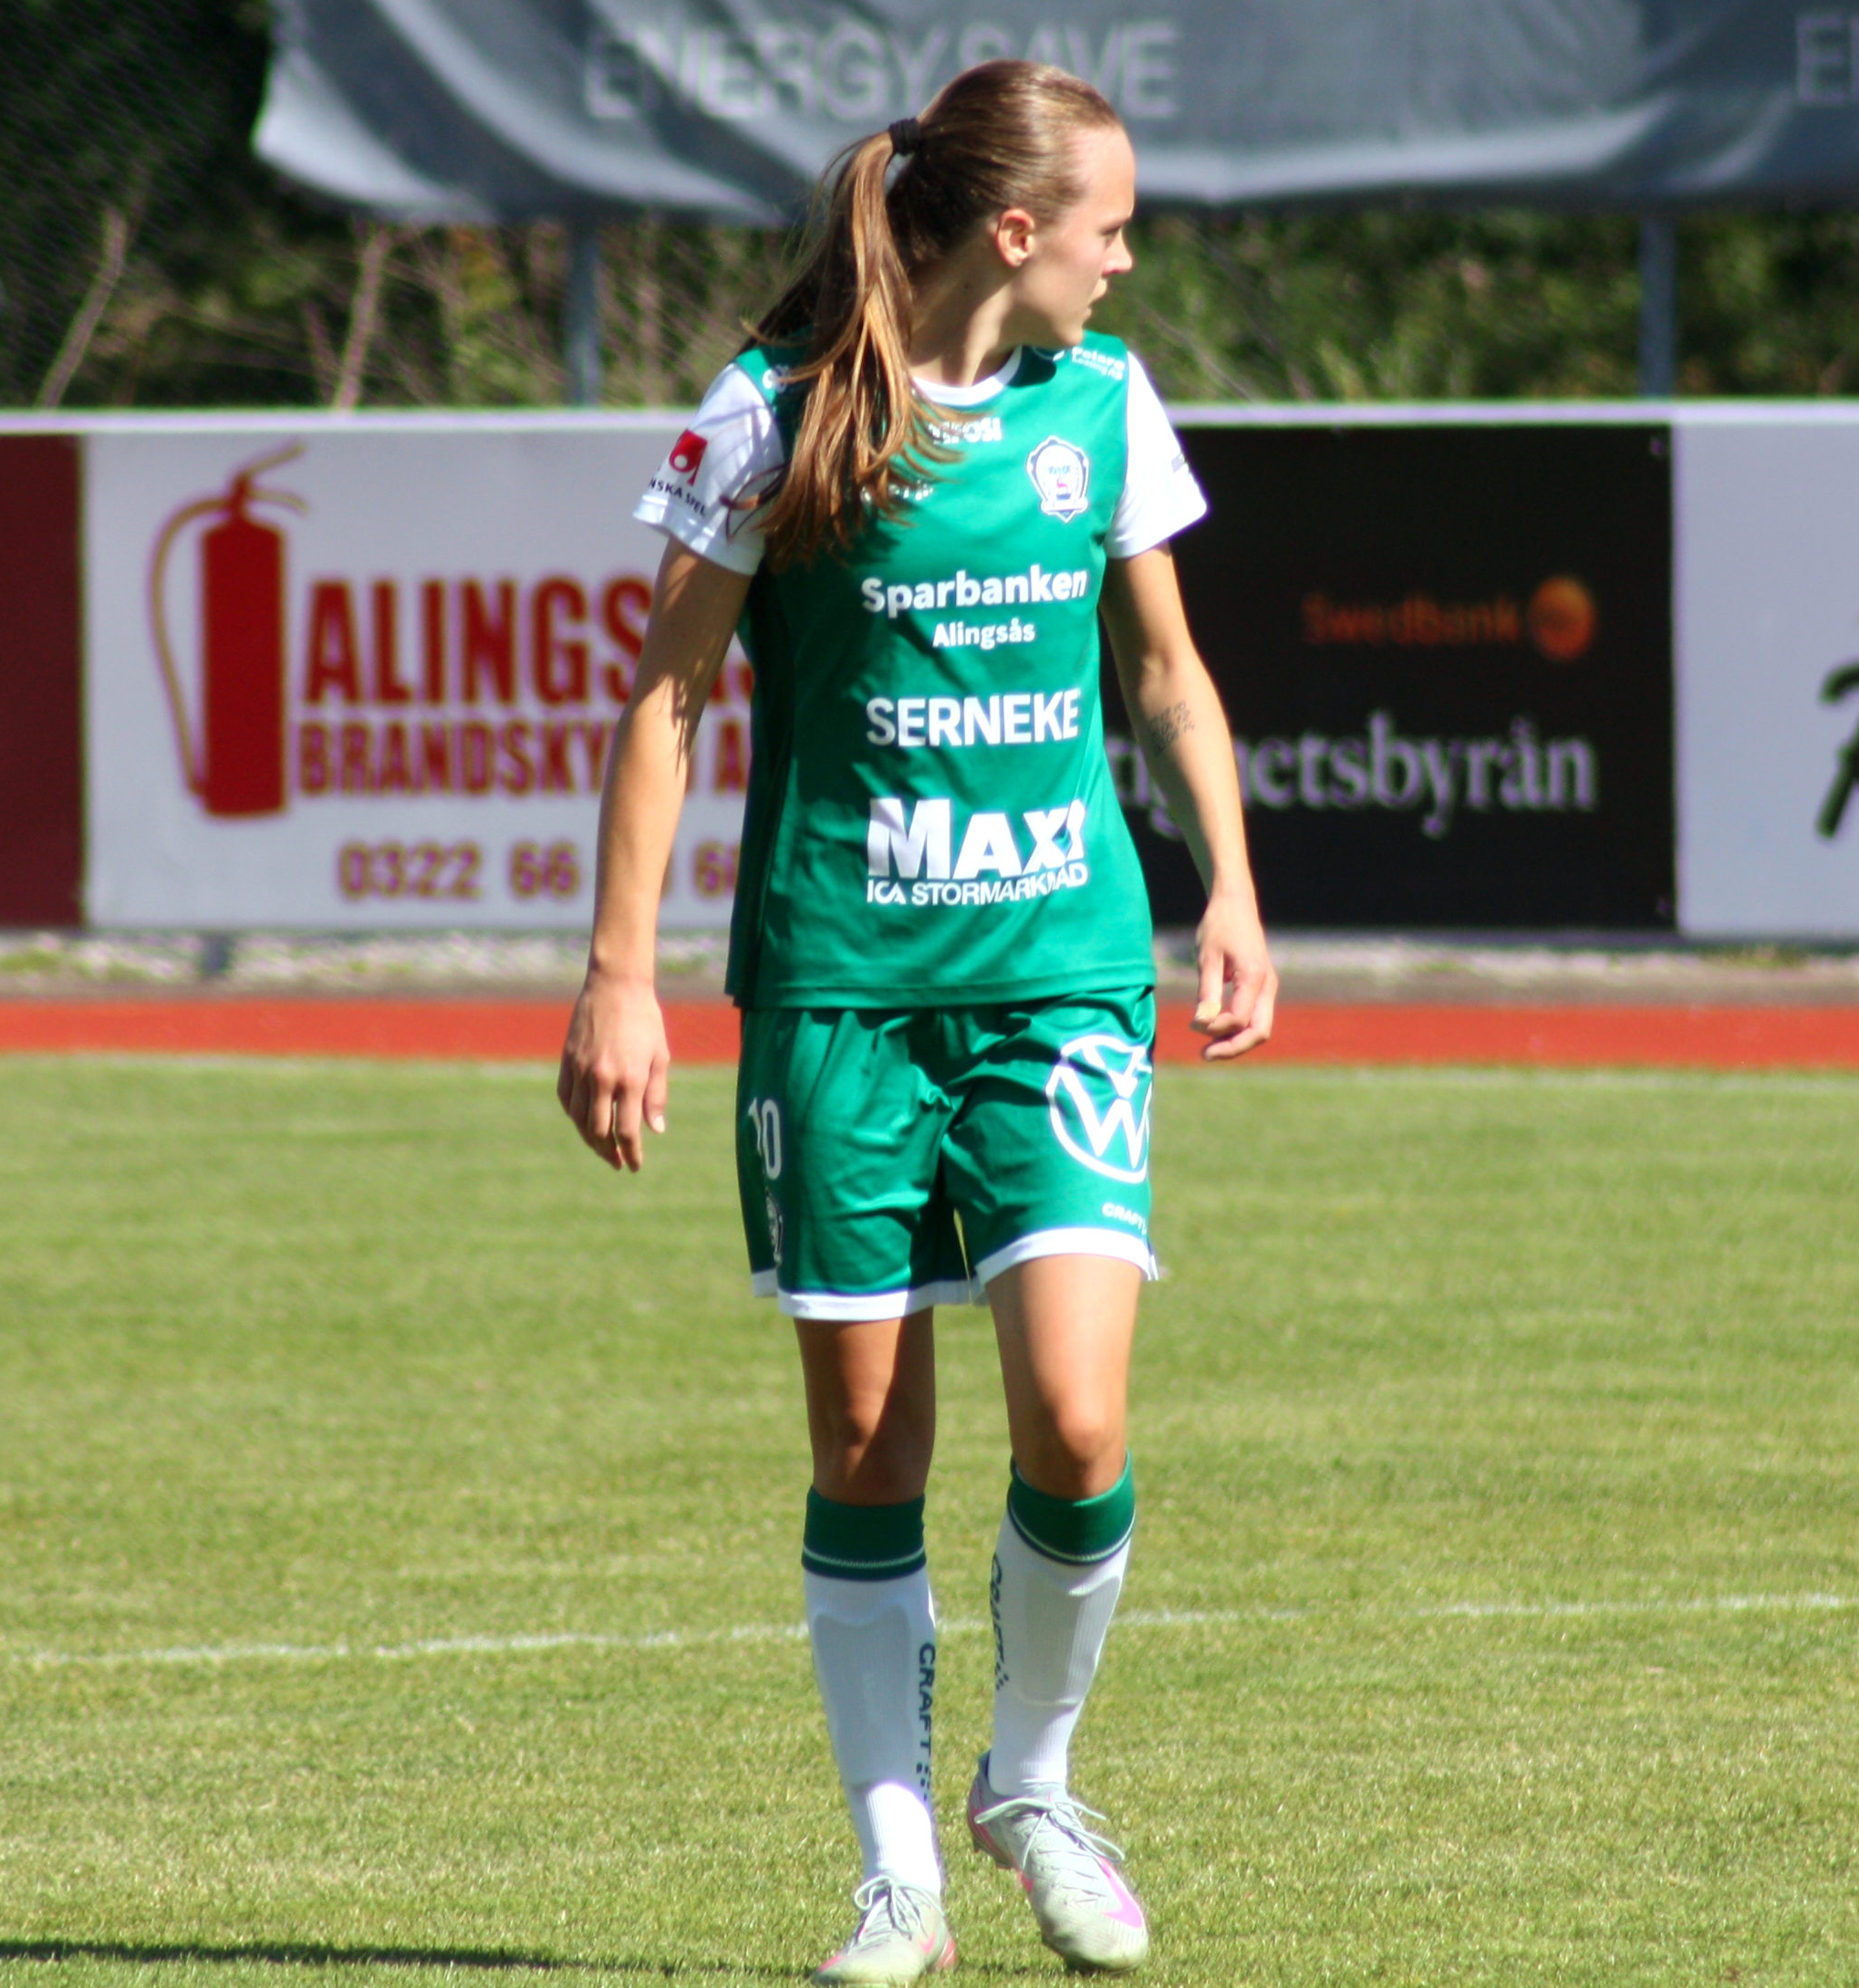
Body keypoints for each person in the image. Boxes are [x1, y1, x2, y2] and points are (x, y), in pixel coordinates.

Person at [556, 58, 1274, 1987]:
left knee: (1080, 1420)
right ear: (1015, 230)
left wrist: (1229, 886)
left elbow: (1167, 676)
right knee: (870, 1445)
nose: (1127, 262)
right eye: (1110, 227)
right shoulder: (776, 408)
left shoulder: (1104, 407)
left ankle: (1030, 1785)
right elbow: (665, 699)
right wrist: (619, 975)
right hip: (841, 995)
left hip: (1061, 980)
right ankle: (898, 1881)